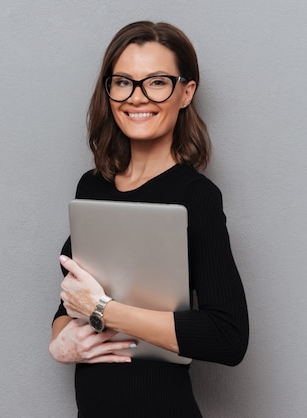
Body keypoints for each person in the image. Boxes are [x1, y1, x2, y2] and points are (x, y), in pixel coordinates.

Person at [49, 21, 249, 417]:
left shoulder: (197, 197)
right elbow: (70, 304)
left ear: (186, 92)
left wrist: (105, 311)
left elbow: (228, 337)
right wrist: (61, 345)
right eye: (123, 82)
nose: (136, 98)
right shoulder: (92, 188)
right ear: (109, 91)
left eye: (157, 83)